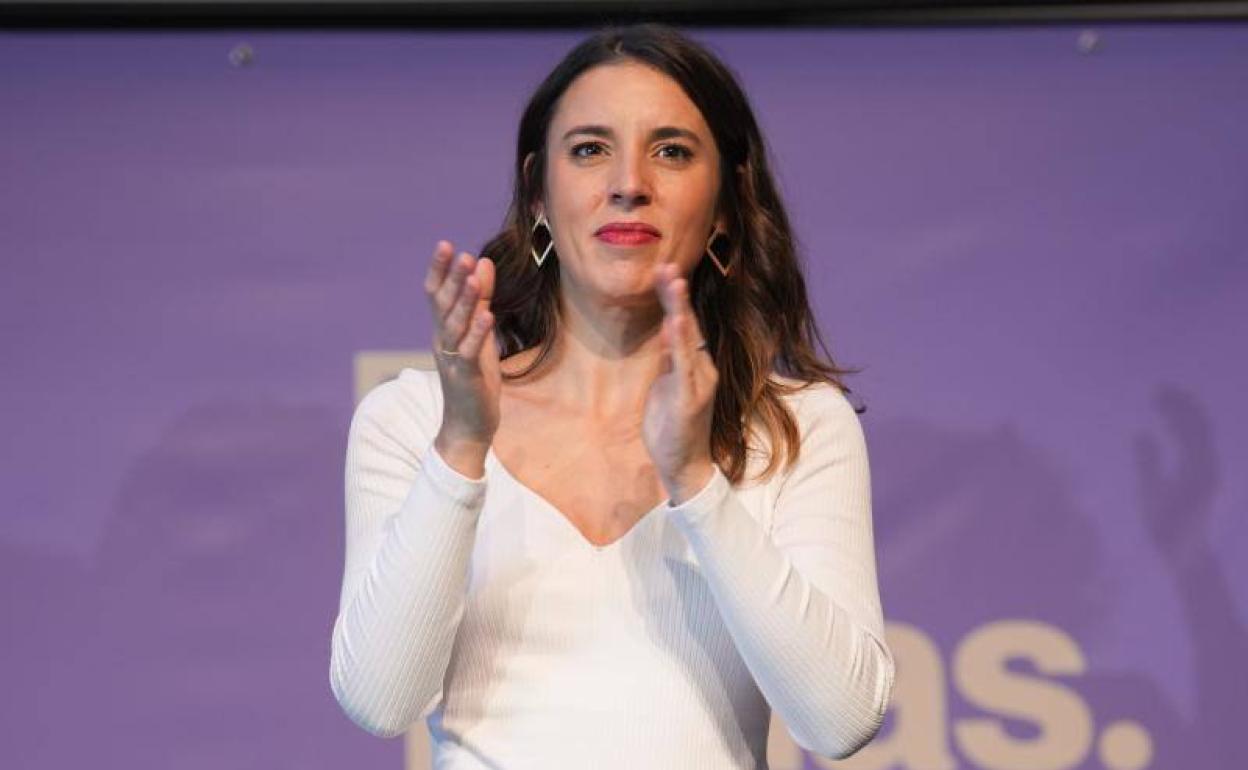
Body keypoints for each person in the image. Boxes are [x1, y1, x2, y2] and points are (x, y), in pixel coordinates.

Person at [329, 23, 894, 769]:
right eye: (590, 149)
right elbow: (380, 701)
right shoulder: (413, 419)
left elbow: (839, 721)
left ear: (726, 203)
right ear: (538, 191)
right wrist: (461, 448)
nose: (629, 183)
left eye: (672, 151)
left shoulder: (796, 428)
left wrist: (696, 481)